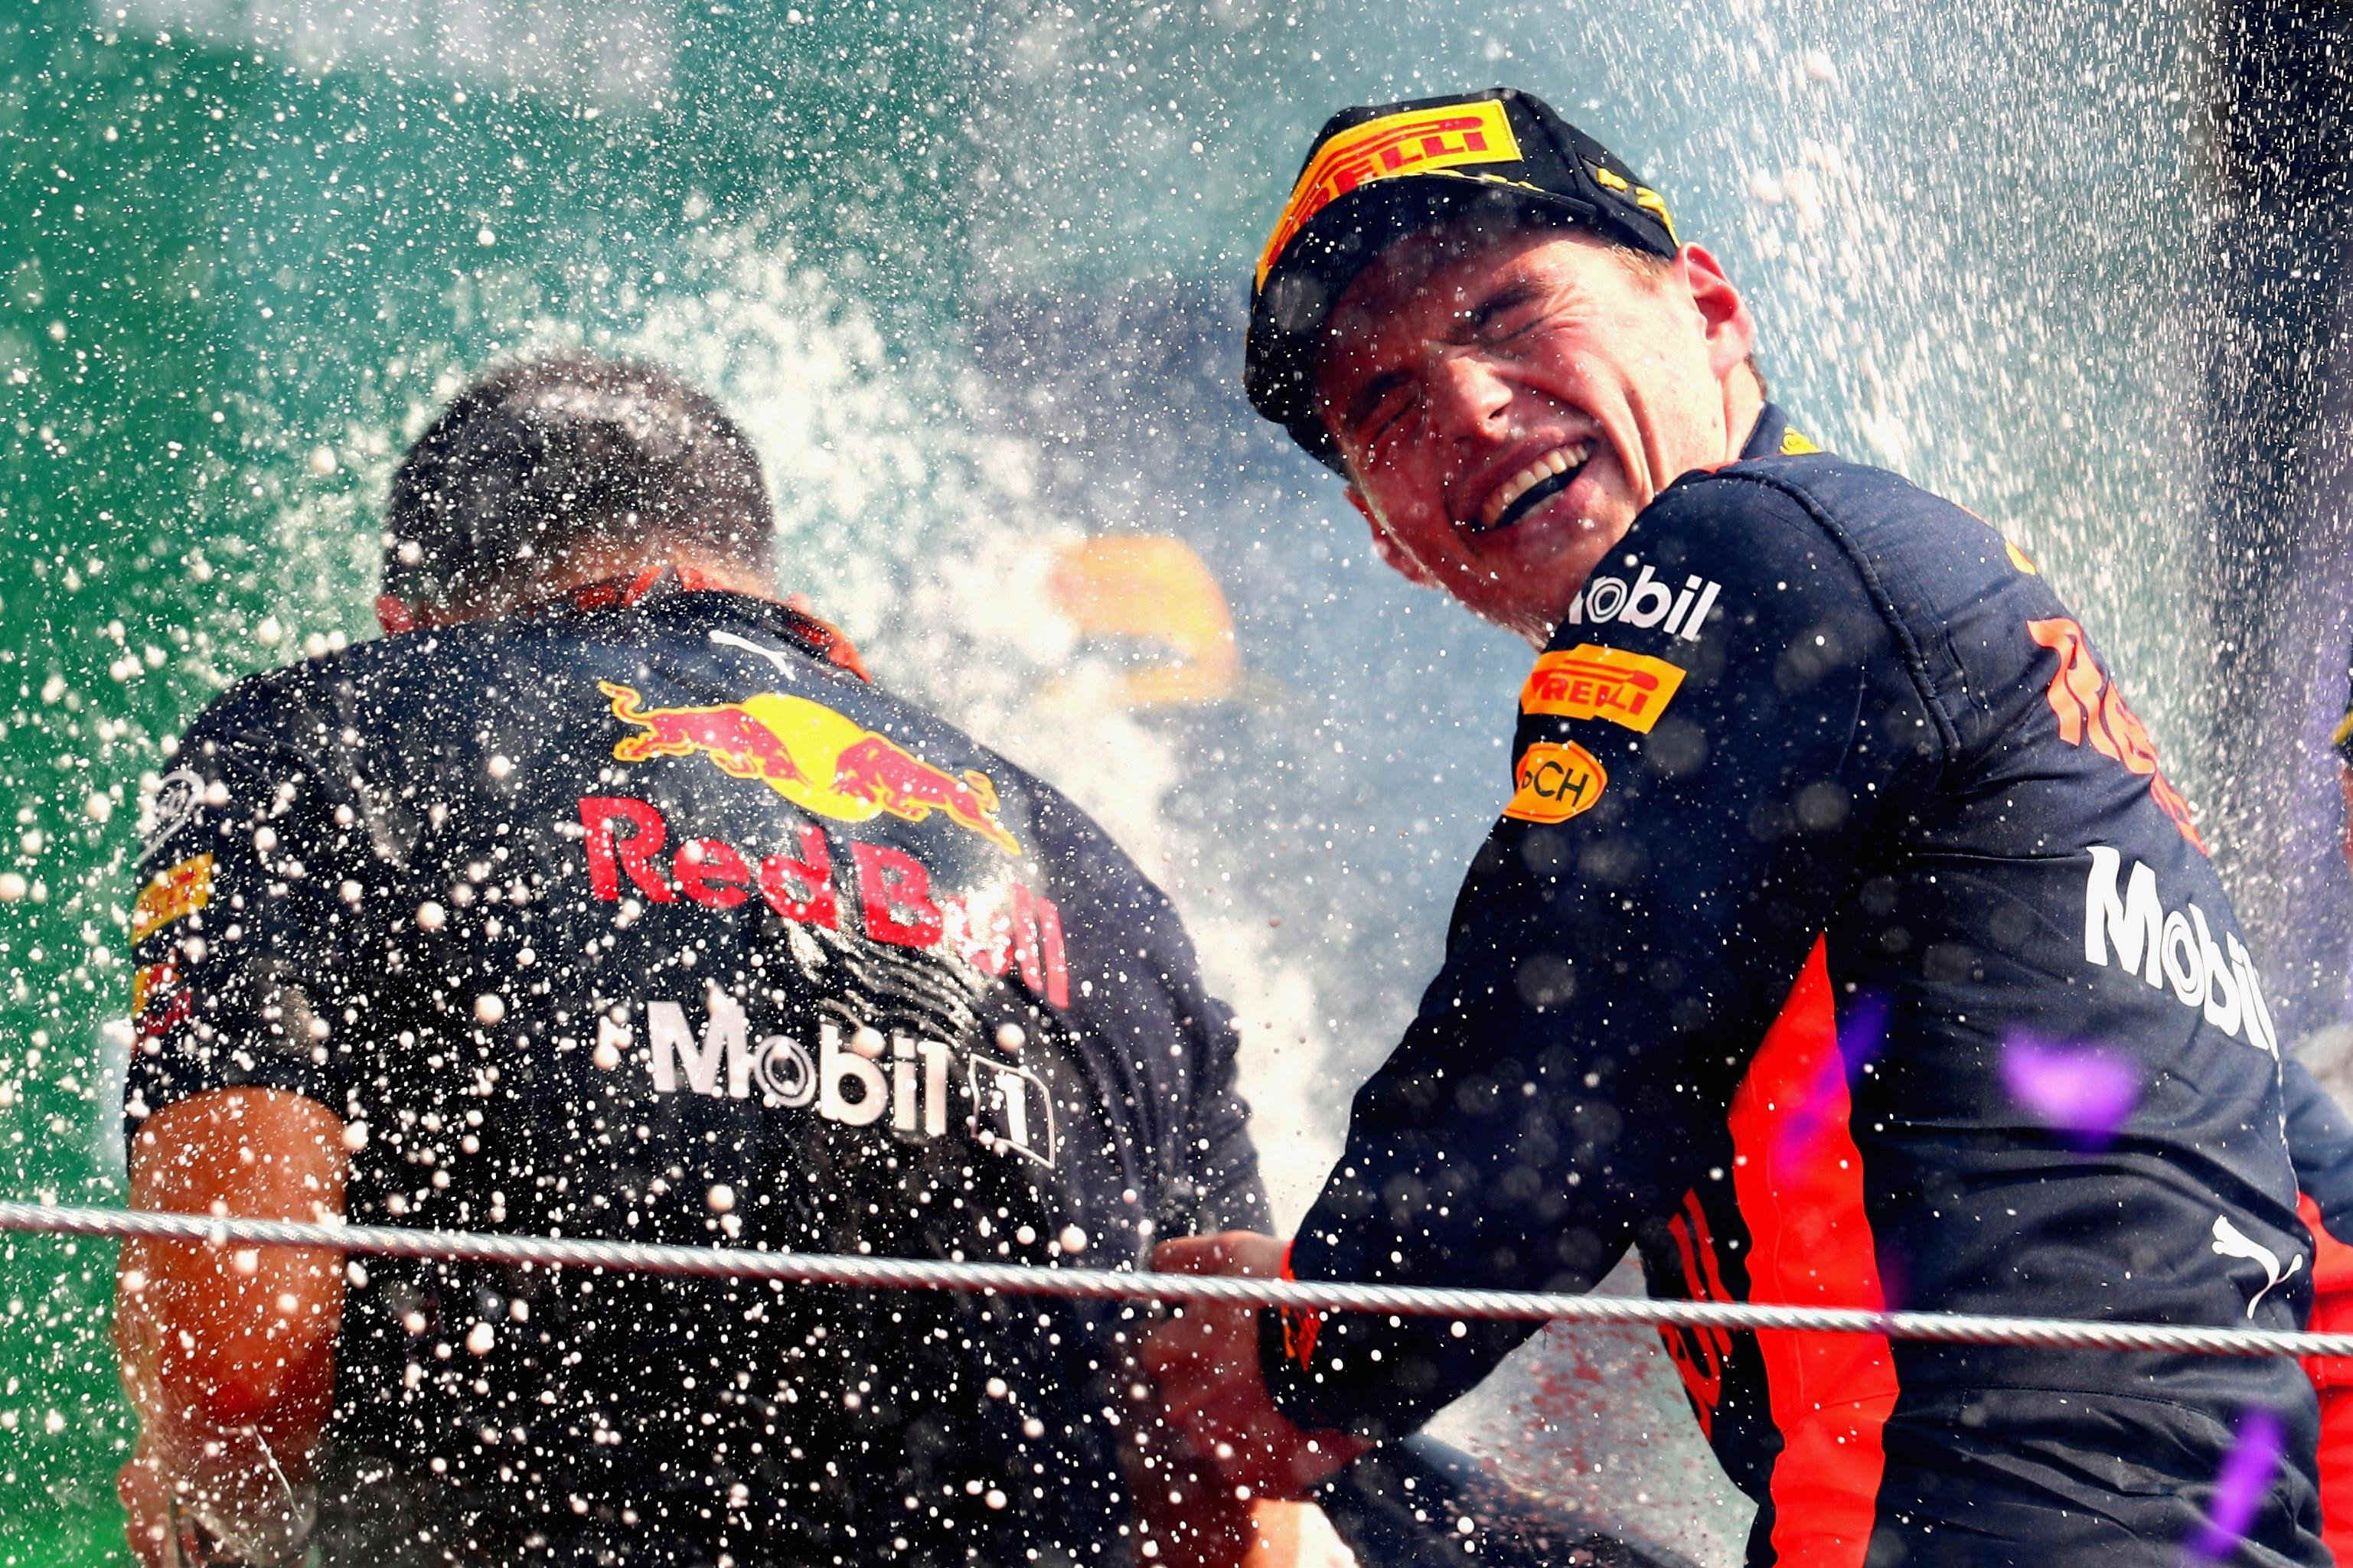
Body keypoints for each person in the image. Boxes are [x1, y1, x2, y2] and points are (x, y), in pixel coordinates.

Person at [1144, 87, 2330, 1565]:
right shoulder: (1923, 640)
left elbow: (1547, 1062)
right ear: (1386, 539)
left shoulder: (1751, 545)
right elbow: (2321, 1223)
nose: (1466, 404)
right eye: (1383, 406)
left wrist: (1301, 1356)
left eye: (1510, 313)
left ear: (1710, 310)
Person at [113, 354, 1274, 1567]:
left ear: (406, 623)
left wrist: (209, 1506)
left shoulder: (330, 733)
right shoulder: (1108, 888)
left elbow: (234, 1366)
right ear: (771, 587)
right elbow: (1230, 1491)